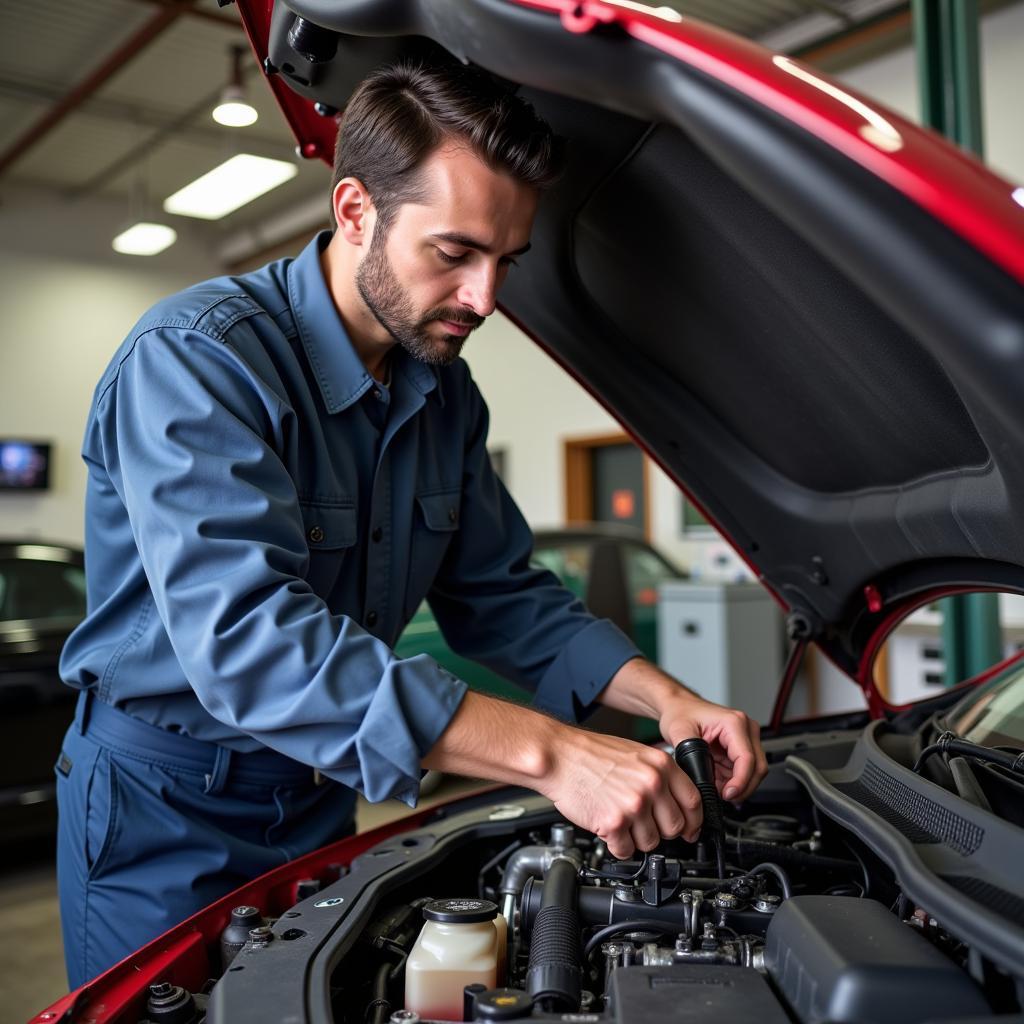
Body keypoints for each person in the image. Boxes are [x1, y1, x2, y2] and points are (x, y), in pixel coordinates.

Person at [55, 58, 768, 988]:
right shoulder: (196, 363)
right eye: (455, 253)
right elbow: (250, 643)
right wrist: (552, 754)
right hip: (159, 809)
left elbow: (503, 594)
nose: (486, 299)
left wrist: (662, 698)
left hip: (316, 798)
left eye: (505, 261)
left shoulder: (443, 394)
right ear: (355, 210)